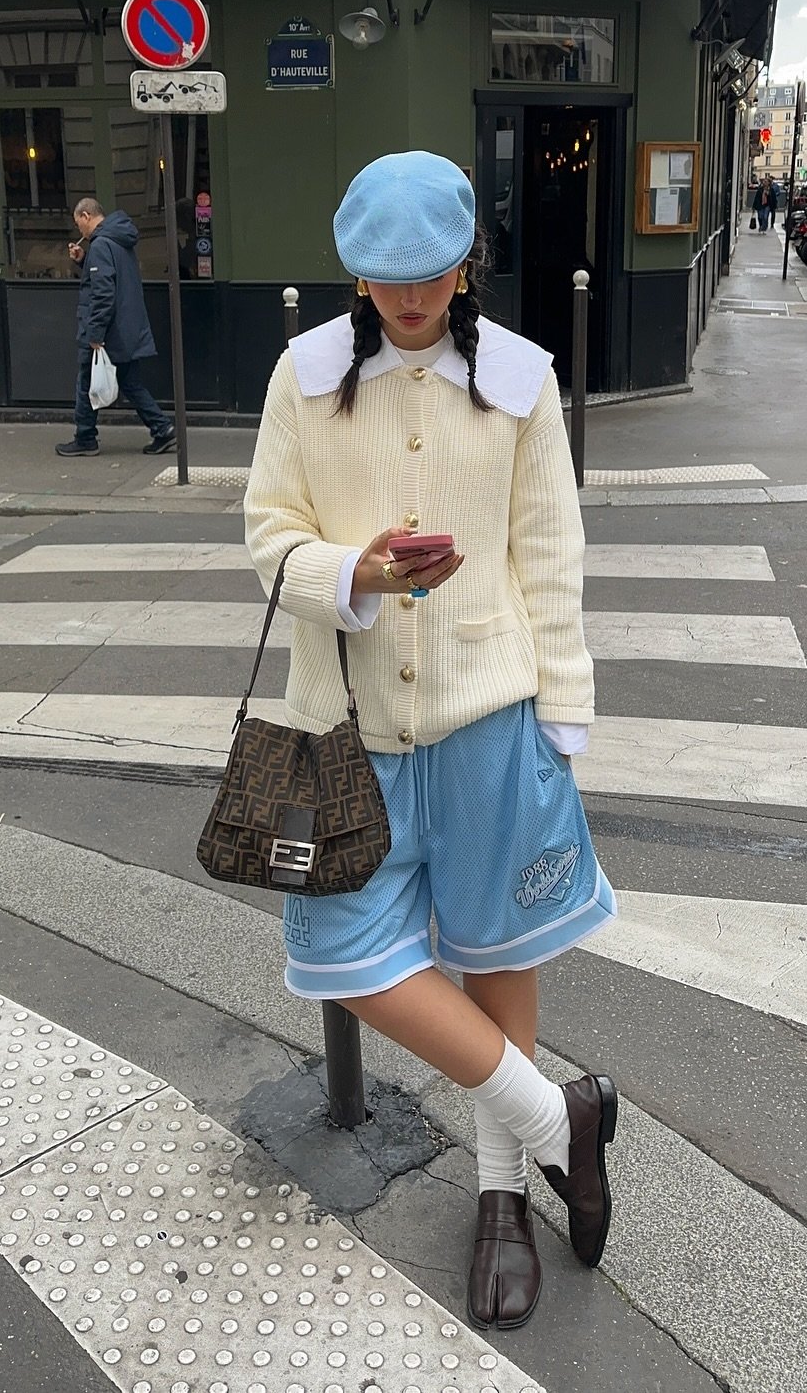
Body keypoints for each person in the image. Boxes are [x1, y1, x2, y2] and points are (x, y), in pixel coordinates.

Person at [244, 151, 619, 1333]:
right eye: (385, 280)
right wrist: (352, 568)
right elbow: (267, 533)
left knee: (498, 950)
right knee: (344, 958)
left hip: (491, 718)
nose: (409, 303)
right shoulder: (304, 377)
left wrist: (564, 715)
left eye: (430, 277)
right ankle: (565, 1124)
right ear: (355, 273)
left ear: (467, 265)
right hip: (342, 730)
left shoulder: (519, 378)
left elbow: (549, 552)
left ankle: (503, 1198)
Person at [55, 197, 175, 457]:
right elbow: (111, 277)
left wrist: (95, 333)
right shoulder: (117, 240)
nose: (80, 232)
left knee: (86, 382)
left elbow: (102, 292)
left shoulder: (101, 245)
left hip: (107, 330)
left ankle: (85, 436)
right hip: (126, 326)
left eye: (79, 225)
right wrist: (83, 259)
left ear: (86, 216)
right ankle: (162, 429)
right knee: (130, 382)